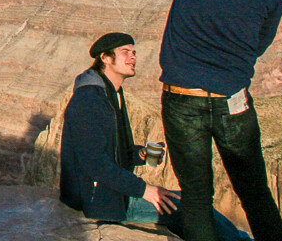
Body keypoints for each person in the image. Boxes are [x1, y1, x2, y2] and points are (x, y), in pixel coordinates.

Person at [142, 0, 282, 241]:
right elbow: (260, 43)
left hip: (182, 98)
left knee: (196, 197)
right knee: (255, 193)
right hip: (233, 100)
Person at [60, 33, 250, 239]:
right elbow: (94, 163)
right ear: (105, 58)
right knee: (190, 208)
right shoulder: (89, 99)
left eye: (134, 52)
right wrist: (145, 190)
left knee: (189, 202)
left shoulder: (111, 93)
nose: (133, 57)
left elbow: (112, 152)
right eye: (125, 52)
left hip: (113, 192)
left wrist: (140, 154)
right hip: (98, 200)